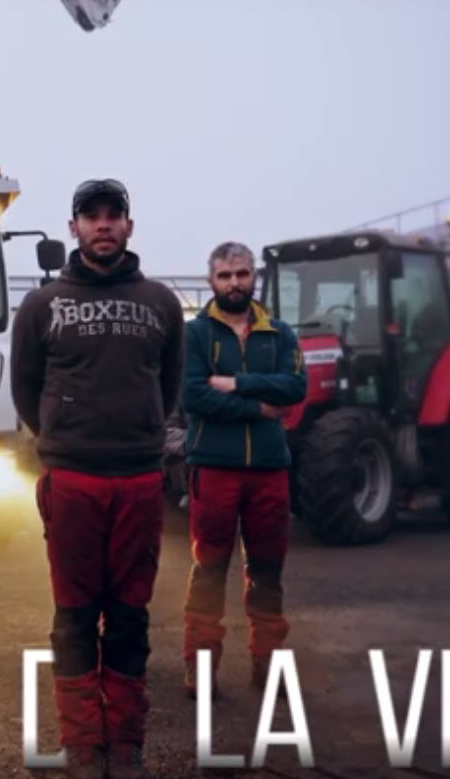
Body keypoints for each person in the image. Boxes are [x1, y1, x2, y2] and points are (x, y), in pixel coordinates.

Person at [8, 178, 184, 779]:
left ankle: (126, 741)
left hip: (137, 480)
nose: (103, 225)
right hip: (73, 479)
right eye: (92, 216)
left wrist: (140, 434)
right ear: (73, 228)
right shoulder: (42, 305)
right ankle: (84, 744)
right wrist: (62, 438)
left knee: (130, 614)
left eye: (114, 216)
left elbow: (170, 384)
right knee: (76, 614)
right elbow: (26, 388)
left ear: (129, 227)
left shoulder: (160, 302)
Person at [179, 241, 306, 698]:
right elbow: (193, 396)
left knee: (268, 571)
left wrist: (236, 384)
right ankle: (200, 664)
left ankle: (267, 663)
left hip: (270, 470)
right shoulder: (195, 335)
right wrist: (260, 408)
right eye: (225, 275)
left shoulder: (281, 333)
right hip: (214, 468)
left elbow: (295, 386)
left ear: (254, 278)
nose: (235, 283)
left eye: (242, 274)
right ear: (211, 281)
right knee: (209, 568)